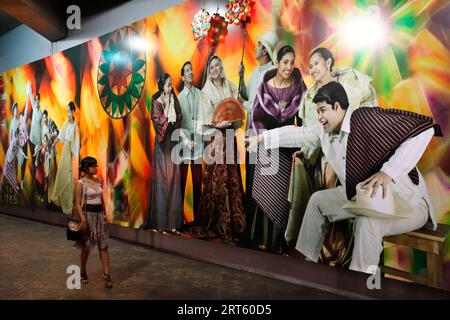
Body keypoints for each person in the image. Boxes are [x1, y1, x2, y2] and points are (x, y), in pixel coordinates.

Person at [247, 81, 440, 273]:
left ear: (337, 106)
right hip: (365, 198)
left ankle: (357, 285)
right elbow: (300, 134)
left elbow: (424, 129)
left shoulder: (365, 118)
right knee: (318, 201)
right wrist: (262, 138)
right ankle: (305, 266)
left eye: (322, 110)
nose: (320, 117)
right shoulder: (325, 131)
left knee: (367, 222)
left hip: (409, 205)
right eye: (318, 112)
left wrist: (389, 171)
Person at [248, 44, 307, 254]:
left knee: (284, 197)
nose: (289, 67)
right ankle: (265, 242)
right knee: (267, 194)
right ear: (277, 61)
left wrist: (301, 143)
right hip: (268, 147)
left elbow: (305, 119)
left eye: (292, 62)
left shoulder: (300, 86)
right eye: (285, 62)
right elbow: (256, 117)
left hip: (289, 147)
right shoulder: (264, 86)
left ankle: (280, 243)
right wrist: (265, 139)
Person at [194, 55, 245, 242]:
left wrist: (242, 78)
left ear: (221, 67)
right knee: (218, 179)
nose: (215, 69)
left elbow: (237, 104)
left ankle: (235, 222)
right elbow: (205, 119)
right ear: (209, 70)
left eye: (217, 65)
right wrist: (218, 124)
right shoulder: (205, 92)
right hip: (216, 139)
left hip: (229, 137)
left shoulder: (230, 84)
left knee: (232, 176)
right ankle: (218, 222)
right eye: (212, 67)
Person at [237, 30, 279, 240]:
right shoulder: (255, 72)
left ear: (265, 50)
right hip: (250, 133)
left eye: (258, 44)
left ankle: (262, 235)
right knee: (251, 179)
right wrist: (241, 78)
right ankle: (251, 233)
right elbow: (248, 96)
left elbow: (258, 106)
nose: (254, 47)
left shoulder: (271, 73)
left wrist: (240, 104)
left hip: (262, 134)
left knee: (263, 182)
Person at [140, 73, 183, 233]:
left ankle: (173, 223)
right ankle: (160, 223)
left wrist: (173, 119)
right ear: (162, 85)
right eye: (168, 85)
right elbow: (156, 120)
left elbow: (179, 116)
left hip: (172, 142)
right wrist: (168, 121)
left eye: (171, 84)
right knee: (162, 181)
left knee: (174, 180)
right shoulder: (156, 100)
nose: (170, 87)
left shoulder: (174, 99)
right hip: (161, 144)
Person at [75, 156, 113, 288]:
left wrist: (104, 214)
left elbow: (101, 199)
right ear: (86, 168)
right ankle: (83, 271)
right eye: (94, 166)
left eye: (96, 165)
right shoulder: (81, 183)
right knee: (86, 246)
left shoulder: (98, 181)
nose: (96, 168)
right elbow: (78, 203)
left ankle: (107, 275)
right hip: (88, 216)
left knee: (104, 245)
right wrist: (83, 219)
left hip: (99, 216)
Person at [177, 61, 203, 223]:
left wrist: (198, 138)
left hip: (199, 145)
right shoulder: (178, 98)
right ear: (182, 76)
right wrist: (187, 142)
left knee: (197, 183)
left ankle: (198, 221)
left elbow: (203, 116)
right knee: (181, 184)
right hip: (183, 146)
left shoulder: (200, 94)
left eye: (191, 69)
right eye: (187, 70)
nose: (191, 72)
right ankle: (179, 220)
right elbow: (177, 125)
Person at [51, 101, 79, 214]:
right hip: (64, 152)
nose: (67, 113)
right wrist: (54, 143)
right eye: (67, 111)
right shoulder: (66, 123)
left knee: (68, 174)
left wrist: (73, 156)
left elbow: (75, 143)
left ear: (72, 111)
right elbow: (60, 134)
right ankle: (60, 197)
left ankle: (68, 202)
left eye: (68, 111)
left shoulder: (75, 127)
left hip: (69, 152)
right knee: (61, 173)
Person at [2, 128, 28, 194]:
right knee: (6, 172)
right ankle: (3, 184)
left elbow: (19, 150)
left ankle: (14, 184)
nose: (20, 135)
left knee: (14, 172)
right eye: (20, 134)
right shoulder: (14, 141)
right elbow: (12, 152)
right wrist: (10, 160)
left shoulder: (18, 141)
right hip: (9, 158)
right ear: (17, 135)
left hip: (13, 159)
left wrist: (25, 156)